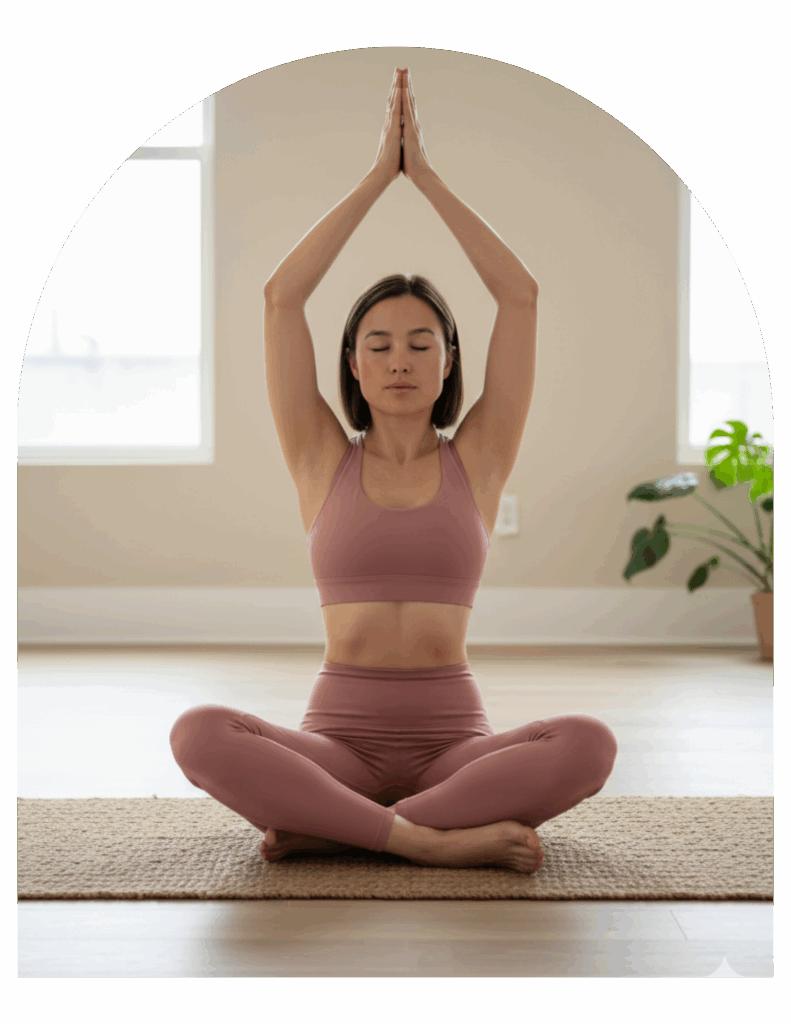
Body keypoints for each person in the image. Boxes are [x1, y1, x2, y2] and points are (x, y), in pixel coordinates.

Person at [170, 68, 617, 874]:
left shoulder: (478, 458)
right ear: (352, 362)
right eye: (378, 344)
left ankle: (340, 830)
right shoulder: (318, 457)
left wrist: (428, 180)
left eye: (421, 344)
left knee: (588, 744)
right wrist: (379, 177)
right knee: (197, 730)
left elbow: (517, 296)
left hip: (454, 748)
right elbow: (281, 299)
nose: (400, 361)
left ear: (449, 364)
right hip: (336, 742)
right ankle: (422, 840)